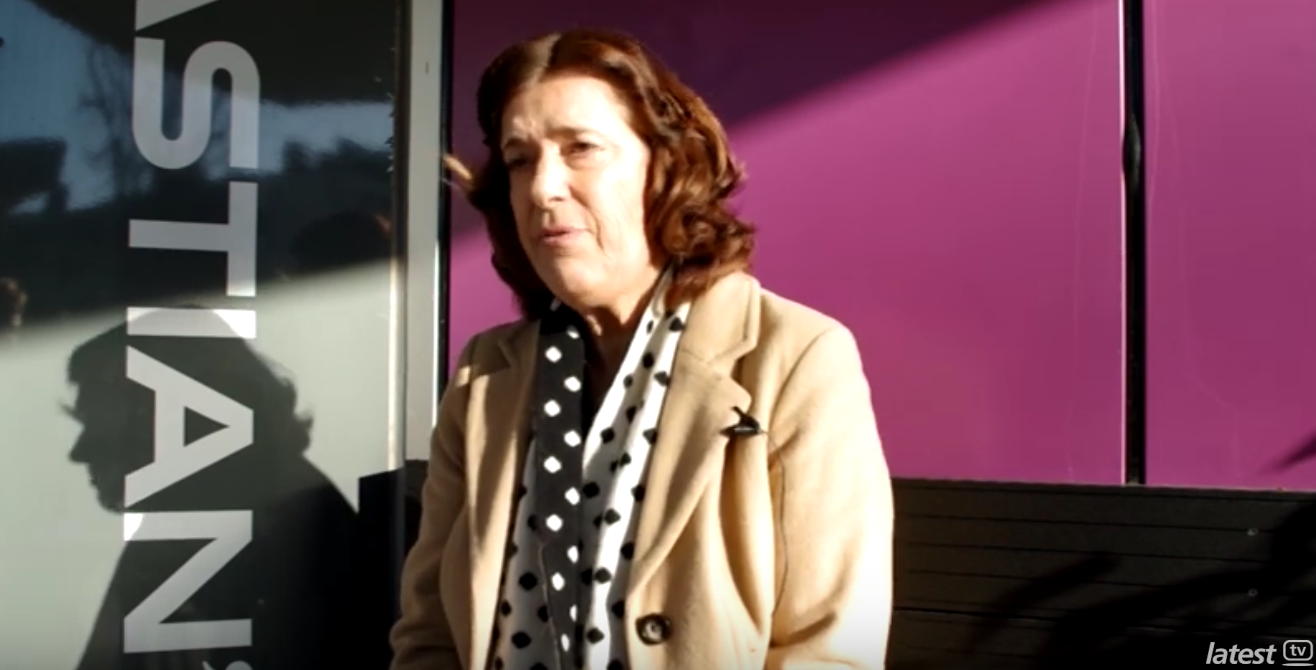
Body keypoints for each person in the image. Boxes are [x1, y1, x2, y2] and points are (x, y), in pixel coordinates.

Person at [391, 28, 893, 670]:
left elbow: (829, 649)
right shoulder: (487, 372)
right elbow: (430, 636)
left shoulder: (794, 356)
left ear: (666, 167)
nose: (543, 187)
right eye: (520, 160)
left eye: (581, 149)